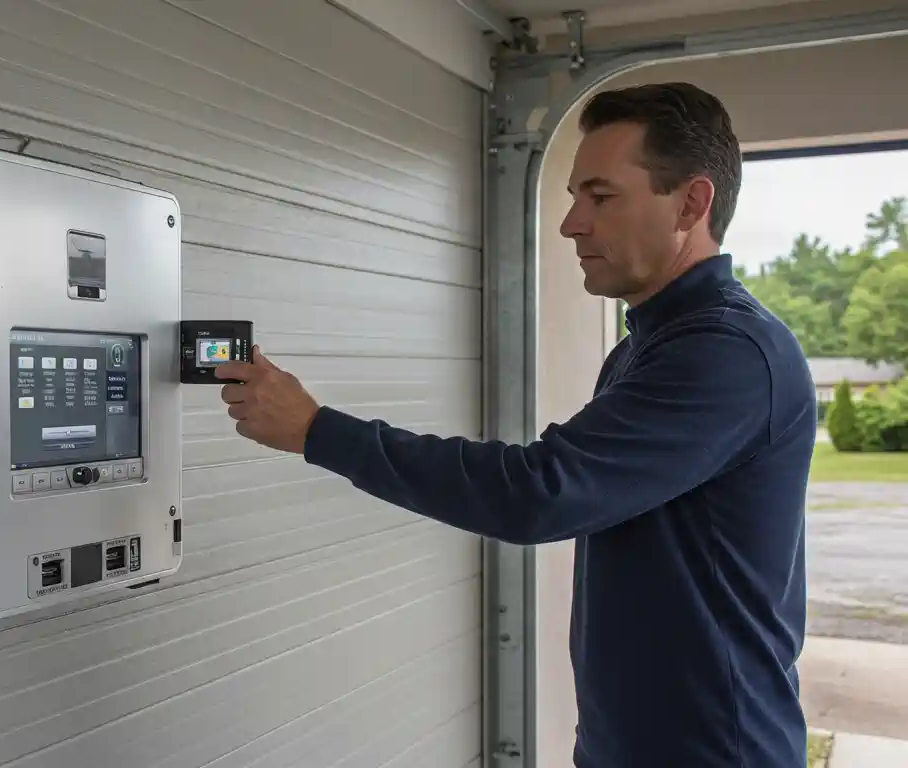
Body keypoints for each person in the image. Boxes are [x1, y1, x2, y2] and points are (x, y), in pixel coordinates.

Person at [214, 81, 815, 767]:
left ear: (692, 202)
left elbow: (540, 492)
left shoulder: (727, 353)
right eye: (572, 198)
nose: (571, 224)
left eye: (601, 196)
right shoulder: (648, 348)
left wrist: (317, 430)